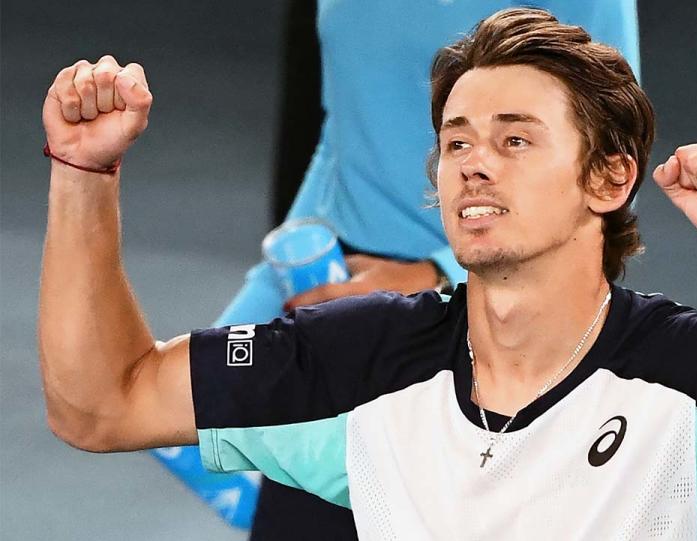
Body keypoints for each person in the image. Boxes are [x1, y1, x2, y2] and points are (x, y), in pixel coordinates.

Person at [38, 8, 697, 540]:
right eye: (456, 141)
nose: (472, 163)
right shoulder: (364, 359)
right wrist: (84, 176)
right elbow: (101, 402)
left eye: (514, 138)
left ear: (610, 178)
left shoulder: (695, 374)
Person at [184, 1, 643, 538]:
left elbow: (606, 173)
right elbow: (341, 131)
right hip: (343, 303)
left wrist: (436, 273)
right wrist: (289, 262)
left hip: (482, 319)